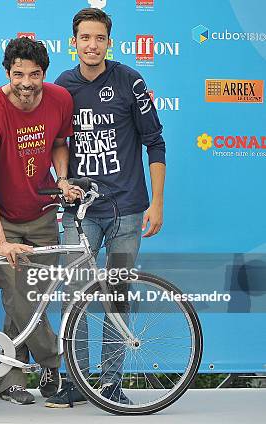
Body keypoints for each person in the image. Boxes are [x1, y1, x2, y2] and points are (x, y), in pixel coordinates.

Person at [45, 7, 166, 408]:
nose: (92, 45)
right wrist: (64, 182)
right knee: (74, 297)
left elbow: (155, 143)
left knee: (117, 294)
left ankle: (111, 383)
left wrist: (157, 202)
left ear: (108, 42)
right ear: (74, 41)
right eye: (85, 38)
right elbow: (58, 141)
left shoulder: (130, 81)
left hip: (127, 209)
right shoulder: (62, 85)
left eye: (99, 38)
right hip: (80, 213)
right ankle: (76, 381)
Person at [0, 37, 81, 405]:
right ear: (7, 73)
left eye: (34, 74)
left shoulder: (60, 99)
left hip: (42, 216)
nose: (26, 82)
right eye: (18, 74)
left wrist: (63, 178)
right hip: (0, 217)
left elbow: (59, 143)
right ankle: (51, 363)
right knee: (16, 293)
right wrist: (0, 241)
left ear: (44, 74)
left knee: (30, 297)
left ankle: (12, 377)